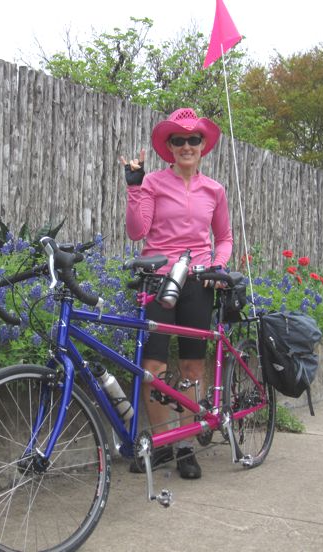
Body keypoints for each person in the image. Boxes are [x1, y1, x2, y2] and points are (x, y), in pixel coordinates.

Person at [120, 107, 233, 479]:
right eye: (178, 140)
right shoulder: (152, 182)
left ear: (203, 145)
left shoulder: (214, 191)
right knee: (152, 367)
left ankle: (185, 444)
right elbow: (138, 232)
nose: (186, 145)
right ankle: (161, 442)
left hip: (198, 281)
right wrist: (134, 188)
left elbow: (225, 238)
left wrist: (218, 265)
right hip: (158, 279)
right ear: (169, 146)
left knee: (192, 366)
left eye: (193, 139)